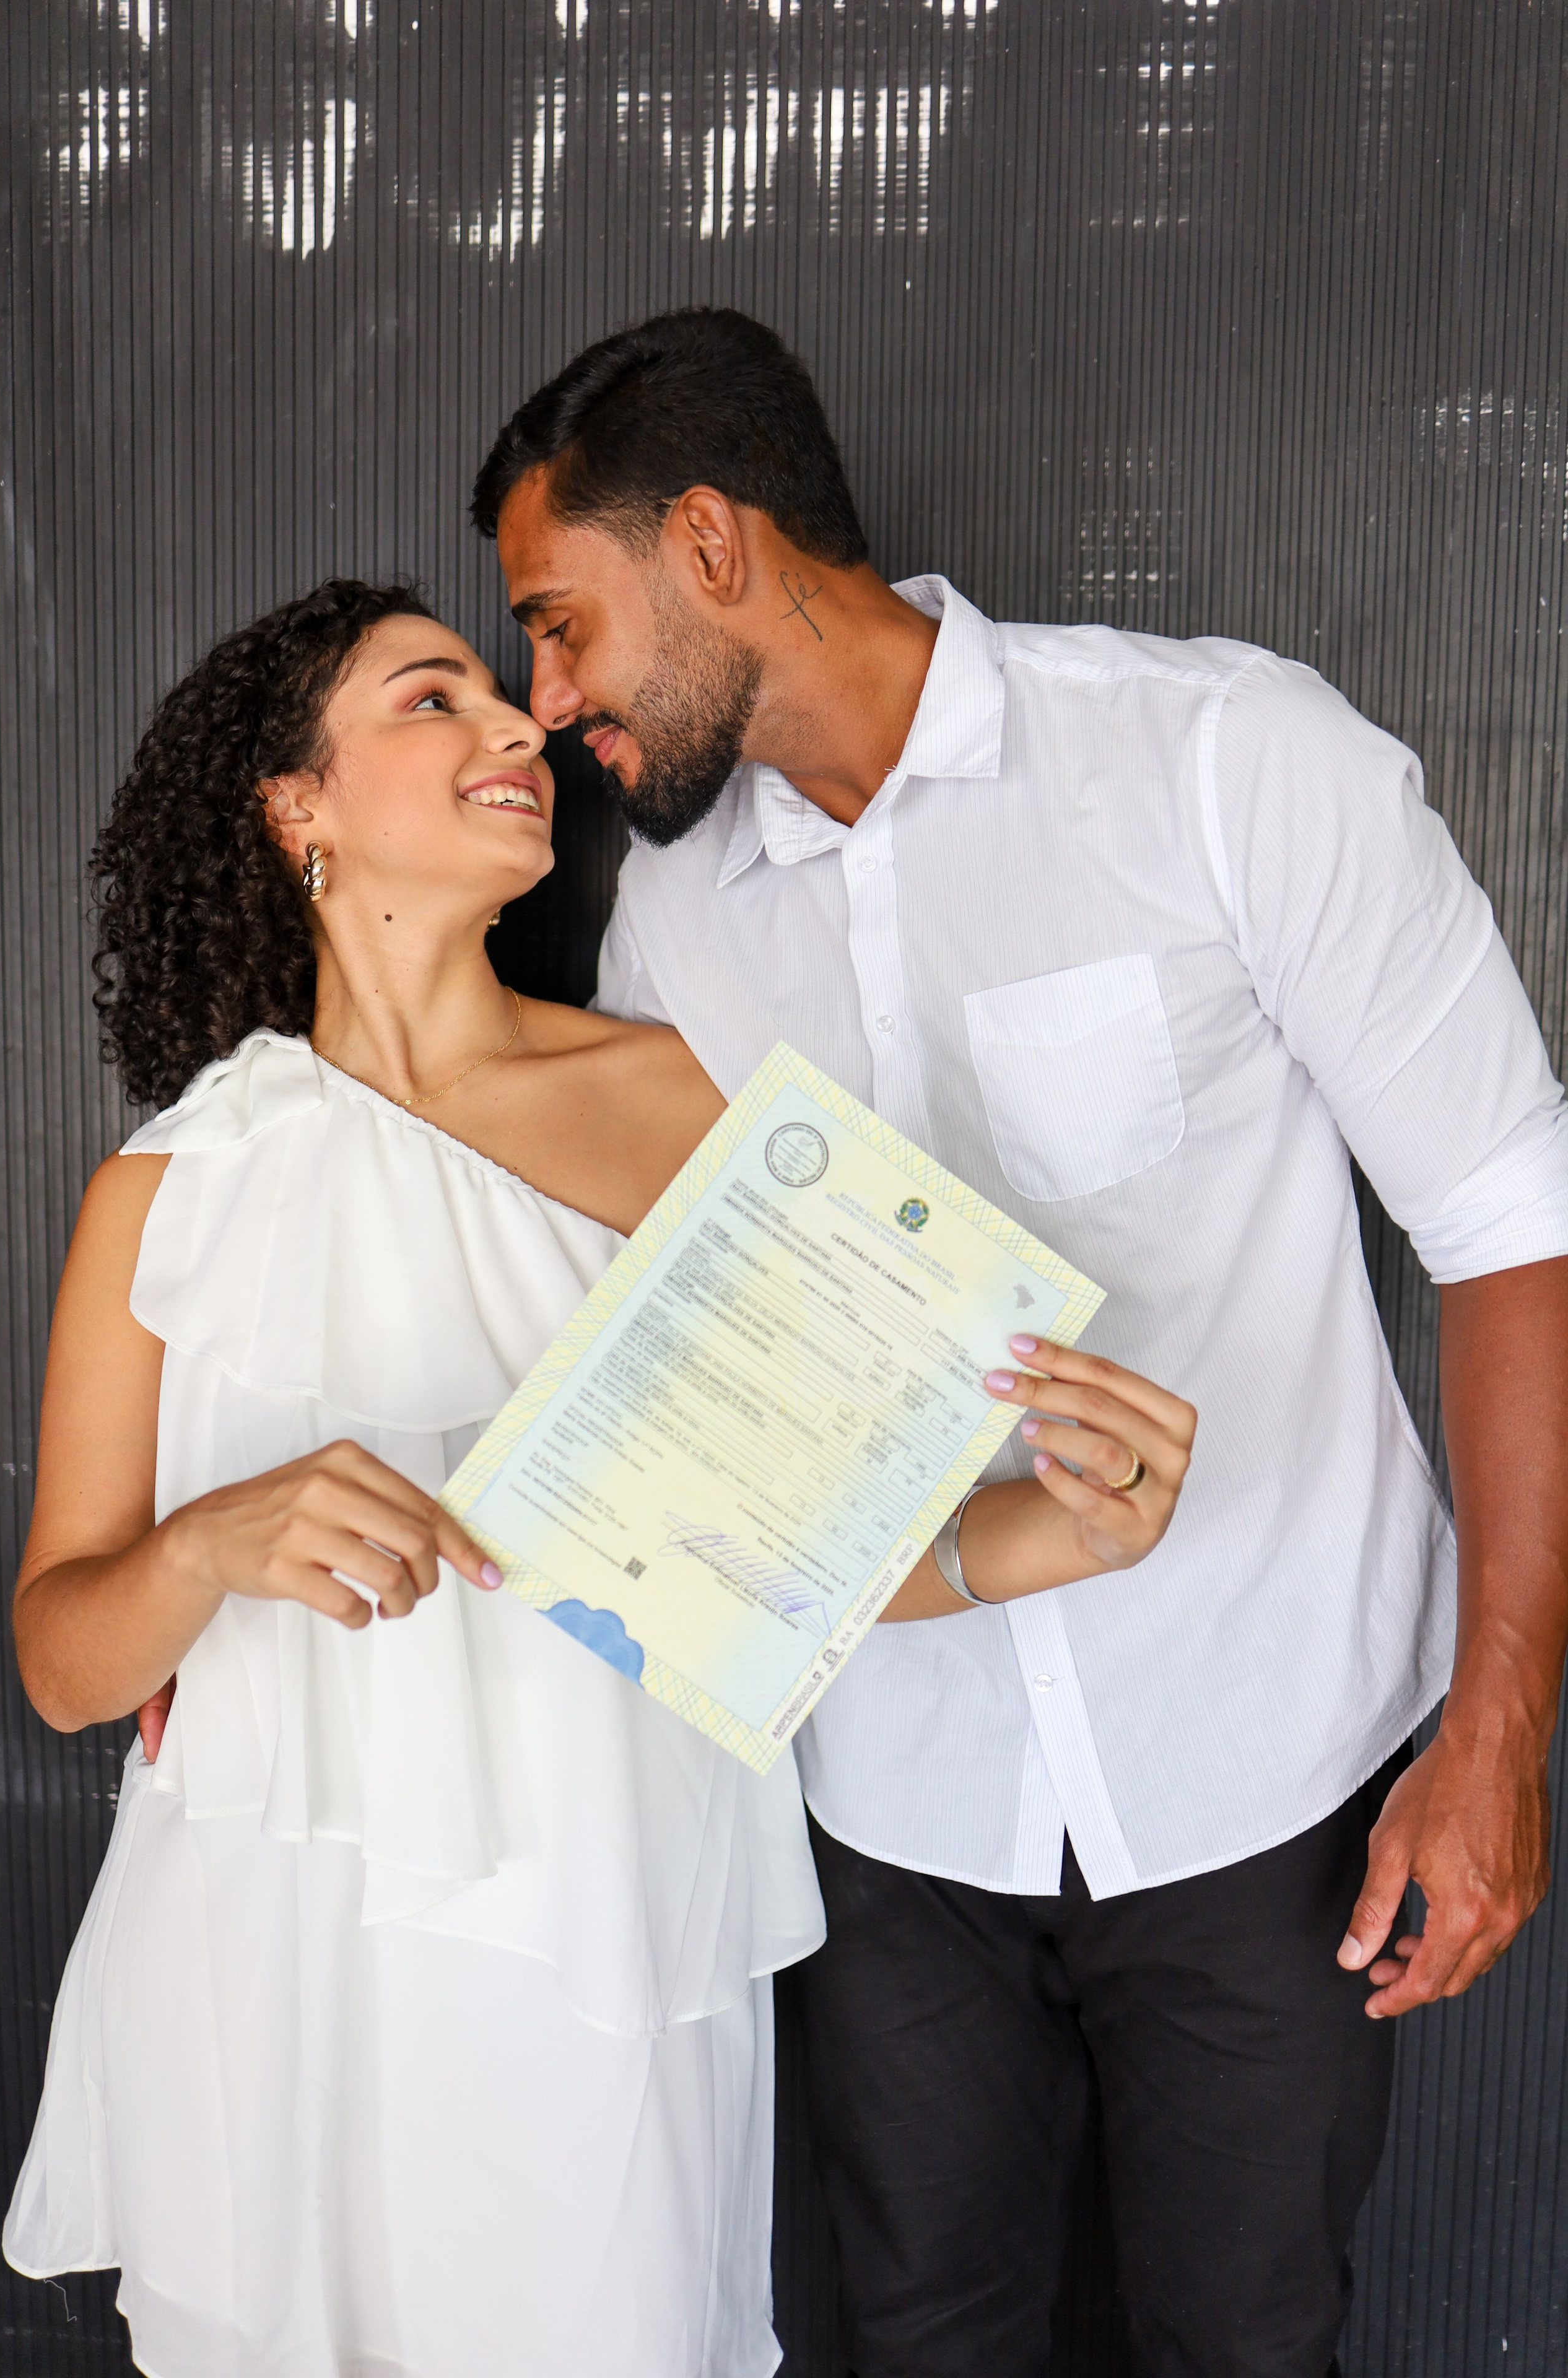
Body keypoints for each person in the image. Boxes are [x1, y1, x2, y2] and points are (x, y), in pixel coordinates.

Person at [471, 307, 1568, 2376]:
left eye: (557, 625)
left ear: (711, 542)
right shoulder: (674, 922)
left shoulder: (1231, 763)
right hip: (894, 1813)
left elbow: (1512, 1225)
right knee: (926, 2346)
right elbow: (633, 1367)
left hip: (1268, 1784)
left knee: (1245, 2345)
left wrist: (1498, 1730)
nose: (548, 708)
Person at [4, 578, 1193, 2378]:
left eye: (514, 699)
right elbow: (65, 1665)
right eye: (435, 701)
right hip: (272, 1937)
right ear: (294, 804)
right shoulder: (168, 1195)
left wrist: (1062, 1531)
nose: (517, 730)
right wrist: (210, 1545)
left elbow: (789, 1553)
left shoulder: (690, 1100)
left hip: (607, 1902)